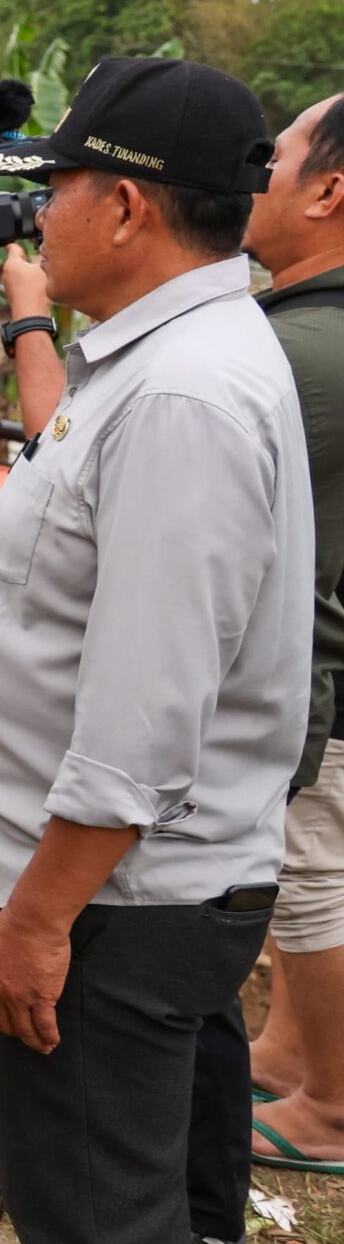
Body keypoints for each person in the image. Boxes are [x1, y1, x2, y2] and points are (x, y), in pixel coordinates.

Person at [0, 57, 301, 1244]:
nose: (40, 212)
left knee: (105, 1204)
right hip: (88, 879)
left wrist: (40, 916)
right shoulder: (160, 350)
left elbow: (146, 708)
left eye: (57, 186)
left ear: (124, 203)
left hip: (108, 893)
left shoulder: (189, 395)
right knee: (73, 1183)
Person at [244, 92, 344, 1176]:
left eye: (272, 158)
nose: (253, 176)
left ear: (327, 190)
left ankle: (331, 1107)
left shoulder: (302, 353)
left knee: (312, 871)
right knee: (296, 865)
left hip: (317, 672)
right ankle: (286, 1047)